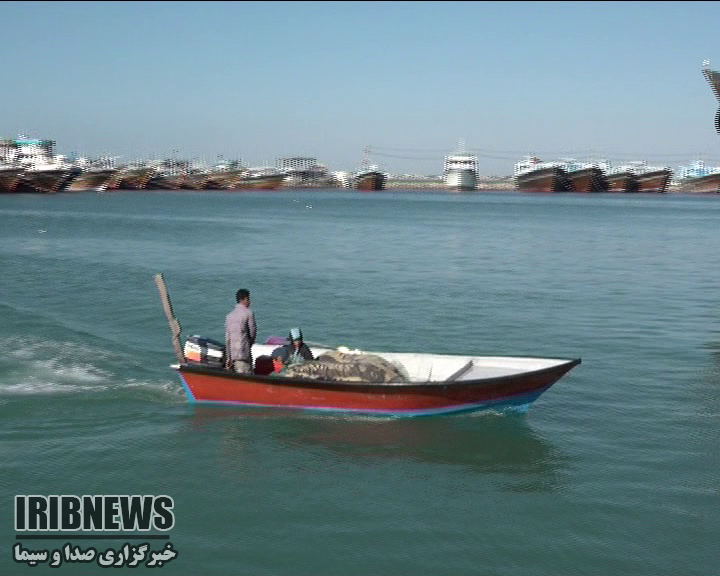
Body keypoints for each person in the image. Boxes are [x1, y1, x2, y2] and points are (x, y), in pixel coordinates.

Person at [224, 288, 257, 374]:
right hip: (243, 354)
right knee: (247, 379)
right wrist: (248, 345)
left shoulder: (229, 316)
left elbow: (227, 339)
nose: (250, 301)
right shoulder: (248, 313)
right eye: (248, 299)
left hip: (233, 356)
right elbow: (253, 333)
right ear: (243, 299)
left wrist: (228, 357)